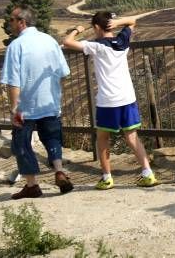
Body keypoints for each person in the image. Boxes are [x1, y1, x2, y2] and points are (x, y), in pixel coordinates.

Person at [62, 12, 157, 189]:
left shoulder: (96, 46)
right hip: (127, 97)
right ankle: (147, 173)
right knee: (132, 136)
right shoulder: (122, 41)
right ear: (111, 25)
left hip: (108, 100)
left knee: (103, 138)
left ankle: (106, 177)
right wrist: (118, 22)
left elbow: (67, 42)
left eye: (93, 27)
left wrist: (77, 29)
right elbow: (132, 21)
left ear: (97, 27)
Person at [0, 5, 74, 199]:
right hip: (49, 101)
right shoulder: (49, 41)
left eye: (12, 20)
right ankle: (59, 170)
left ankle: (32, 185)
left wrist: (15, 108)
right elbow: (63, 72)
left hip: (26, 106)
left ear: (21, 22)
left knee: (22, 143)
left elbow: (13, 80)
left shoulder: (16, 46)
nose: (10, 24)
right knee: (52, 137)